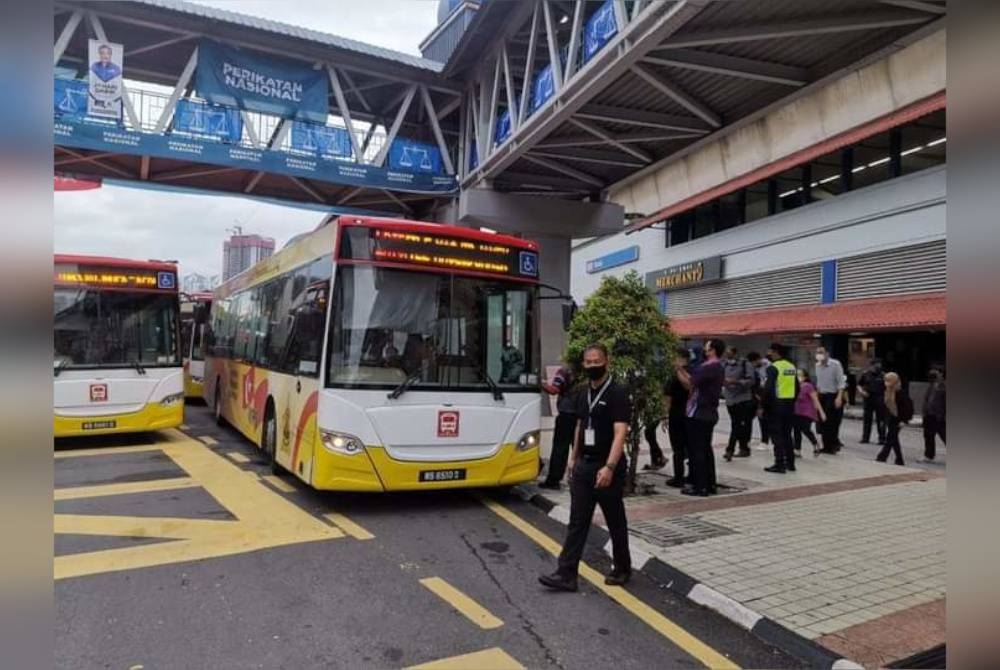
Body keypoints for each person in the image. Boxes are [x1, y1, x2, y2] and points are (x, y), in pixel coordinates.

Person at [539, 343, 632, 591]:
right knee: (577, 521)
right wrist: (573, 458)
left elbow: (620, 432)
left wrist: (610, 467)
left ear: (607, 361)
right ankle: (566, 573)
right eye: (588, 362)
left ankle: (622, 567)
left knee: (615, 520)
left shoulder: (617, 392)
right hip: (584, 466)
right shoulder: (582, 392)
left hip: (607, 467)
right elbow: (581, 426)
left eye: (596, 361)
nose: (592, 365)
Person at [675, 338, 725, 497]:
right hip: (706, 412)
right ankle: (709, 484)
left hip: (699, 413)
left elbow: (690, 383)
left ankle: (700, 486)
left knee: (698, 451)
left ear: (713, 350)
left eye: (707, 346)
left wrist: (678, 370)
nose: (704, 348)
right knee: (705, 449)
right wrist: (681, 369)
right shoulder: (714, 367)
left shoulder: (710, 367)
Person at [763, 342, 799, 473]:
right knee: (787, 434)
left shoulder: (774, 367)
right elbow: (797, 387)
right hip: (789, 404)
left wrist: (764, 406)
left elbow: (768, 389)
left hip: (776, 405)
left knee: (777, 435)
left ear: (776, 352)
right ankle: (791, 463)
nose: (769, 354)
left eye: (770, 351)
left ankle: (779, 464)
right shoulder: (791, 367)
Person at [540, 365, 578, 489]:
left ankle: (554, 480)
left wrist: (541, 383)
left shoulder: (564, 371)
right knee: (579, 448)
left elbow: (554, 390)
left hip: (566, 414)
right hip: (580, 415)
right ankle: (579, 479)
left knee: (560, 448)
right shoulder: (582, 372)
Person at [662, 346, 691, 487]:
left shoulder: (679, 373)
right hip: (686, 413)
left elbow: (668, 397)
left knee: (679, 448)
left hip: (680, 414)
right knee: (684, 447)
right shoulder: (690, 371)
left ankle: (680, 478)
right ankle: (684, 475)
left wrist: (665, 416)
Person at [722, 347, 757, 461]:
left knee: (738, 424)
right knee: (736, 424)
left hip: (743, 399)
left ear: (735, 353)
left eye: (729, 353)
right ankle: (741, 447)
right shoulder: (724, 364)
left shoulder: (745, 364)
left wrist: (736, 382)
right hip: (730, 398)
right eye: (726, 353)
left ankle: (731, 449)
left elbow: (751, 381)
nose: (728, 355)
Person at [814, 345, 847, 453]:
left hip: (833, 395)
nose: (819, 354)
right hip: (822, 395)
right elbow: (819, 383)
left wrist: (839, 397)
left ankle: (832, 445)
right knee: (822, 422)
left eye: (821, 352)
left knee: (832, 422)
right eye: (818, 352)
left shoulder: (835, 364)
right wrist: (816, 398)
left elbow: (841, 382)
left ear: (827, 354)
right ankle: (827, 445)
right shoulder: (817, 366)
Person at [876, 372, 912, 466]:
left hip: (899, 419)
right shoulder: (887, 391)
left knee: (890, 438)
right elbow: (886, 406)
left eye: (889, 380)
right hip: (891, 418)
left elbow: (908, 408)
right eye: (886, 380)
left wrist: (904, 420)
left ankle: (882, 457)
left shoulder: (900, 392)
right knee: (894, 439)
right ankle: (899, 459)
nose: (886, 383)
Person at [793, 369, 826, 457]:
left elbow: (815, 399)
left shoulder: (808, 386)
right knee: (796, 430)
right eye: (797, 375)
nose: (799, 377)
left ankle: (815, 444)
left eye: (801, 375)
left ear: (805, 377)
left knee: (805, 429)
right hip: (796, 411)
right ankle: (797, 450)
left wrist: (821, 412)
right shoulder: (795, 386)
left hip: (807, 412)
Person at [858, 359, 886, 445]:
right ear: (871, 366)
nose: (878, 367)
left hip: (879, 398)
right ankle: (865, 438)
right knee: (867, 419)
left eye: (879, 365)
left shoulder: (883, 375)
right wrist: (861, 392)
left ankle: (882, 438)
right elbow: (859, 384)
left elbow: (887, 388)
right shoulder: (865, 374)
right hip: (868, 398)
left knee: (881, 420)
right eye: (876, 365)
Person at [921, 368, 946, 462]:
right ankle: (929, 455)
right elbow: (926, 399)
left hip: (939, 416)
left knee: (944, 435)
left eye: (936, 373)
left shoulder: (944, 386)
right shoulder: (931, 386)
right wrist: (924, 413)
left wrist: (943, 415)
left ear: (941, 374)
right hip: (929, 415)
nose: (933, 375)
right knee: (928, 436)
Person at [747, 352, 770, 445]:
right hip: (754, 395)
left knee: (762, 418)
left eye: (754, 362)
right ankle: (746, 439)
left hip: (763, 394)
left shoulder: (767, 366)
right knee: (748, 419)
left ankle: (765, 441)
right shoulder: (751, 368)